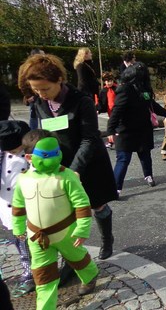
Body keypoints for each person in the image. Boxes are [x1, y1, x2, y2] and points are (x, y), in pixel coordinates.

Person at [19, 54, 118, 260]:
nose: (41, 94)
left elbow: (89, 138)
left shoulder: (81, 101)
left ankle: (107, 239)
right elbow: (40, 135)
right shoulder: (39, 103)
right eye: (36, 89)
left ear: (59, 80)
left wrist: (76, 169)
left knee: (96, 204)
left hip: (88, 162)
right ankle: (72, 256)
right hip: (58, 164)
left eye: (45, 88)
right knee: (64, 211)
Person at [13, 131, 100, 309]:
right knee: (44, 277)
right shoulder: (23, 179)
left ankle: (90, 275)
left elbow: (82, 203)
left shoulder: (66, 176)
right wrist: (18, 227)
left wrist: (82, 229)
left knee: (77, 259)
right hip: (37, 237)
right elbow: (18, 206)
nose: (53, 159)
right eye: (46, 155)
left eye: (56, 153)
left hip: (66, 233)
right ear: (29, 157)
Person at [107, 60, 166, 193]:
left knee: (145, 155)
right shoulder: (125, 89)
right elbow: (117, 111)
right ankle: (116, 187)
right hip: (126, 130)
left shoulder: (144, 88)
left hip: (143, 128)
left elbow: (153, 106)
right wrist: (111, 130)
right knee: (123, 159)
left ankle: (148, 175)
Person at [0, 120, 35, 297]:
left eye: (14, 149)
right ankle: (28, 271)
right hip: (7, 207)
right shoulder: (2, 155)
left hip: (28, 206)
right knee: (20, 241)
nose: (12, 153)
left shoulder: (31, 156)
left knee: (33, 241)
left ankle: (37, 272)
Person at [97, 72, 118, 149]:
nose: (109, 83)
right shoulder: (104, 91)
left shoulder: (118, 88)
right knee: (112, 125)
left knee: (113, 125)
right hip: (110, 111)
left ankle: (112, 141)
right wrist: (98, 109)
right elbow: (101, 102)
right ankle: (112, 141)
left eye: (110, 81)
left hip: (118, 109)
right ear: (104, 82)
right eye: (107, 81)